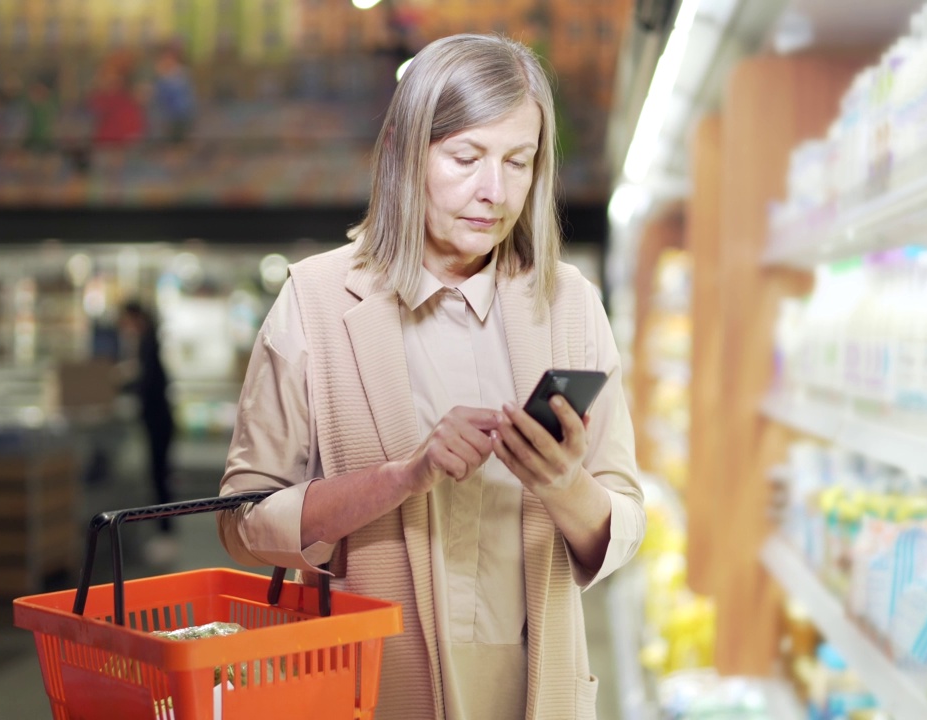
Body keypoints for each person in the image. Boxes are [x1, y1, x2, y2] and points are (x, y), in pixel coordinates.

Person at [218, 34, 644, 720]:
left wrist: (565, 485)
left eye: (519, 162)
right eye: (466, 157)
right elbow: (242, 521)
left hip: (540, 694)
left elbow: (623, 521)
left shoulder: (572, 307)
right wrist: (402, 476)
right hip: (372, 691)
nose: (494, 192)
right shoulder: (316, 302)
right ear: (404, 153)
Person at [118, 301, 177, 561]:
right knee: (159, 475)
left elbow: (148, 383)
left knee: (159, 476)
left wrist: (125, 386)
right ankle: (164, 531)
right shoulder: (149, 341)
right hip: (159, 420)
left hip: (158, 422)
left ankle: (166, 533)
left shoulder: (147, 343)